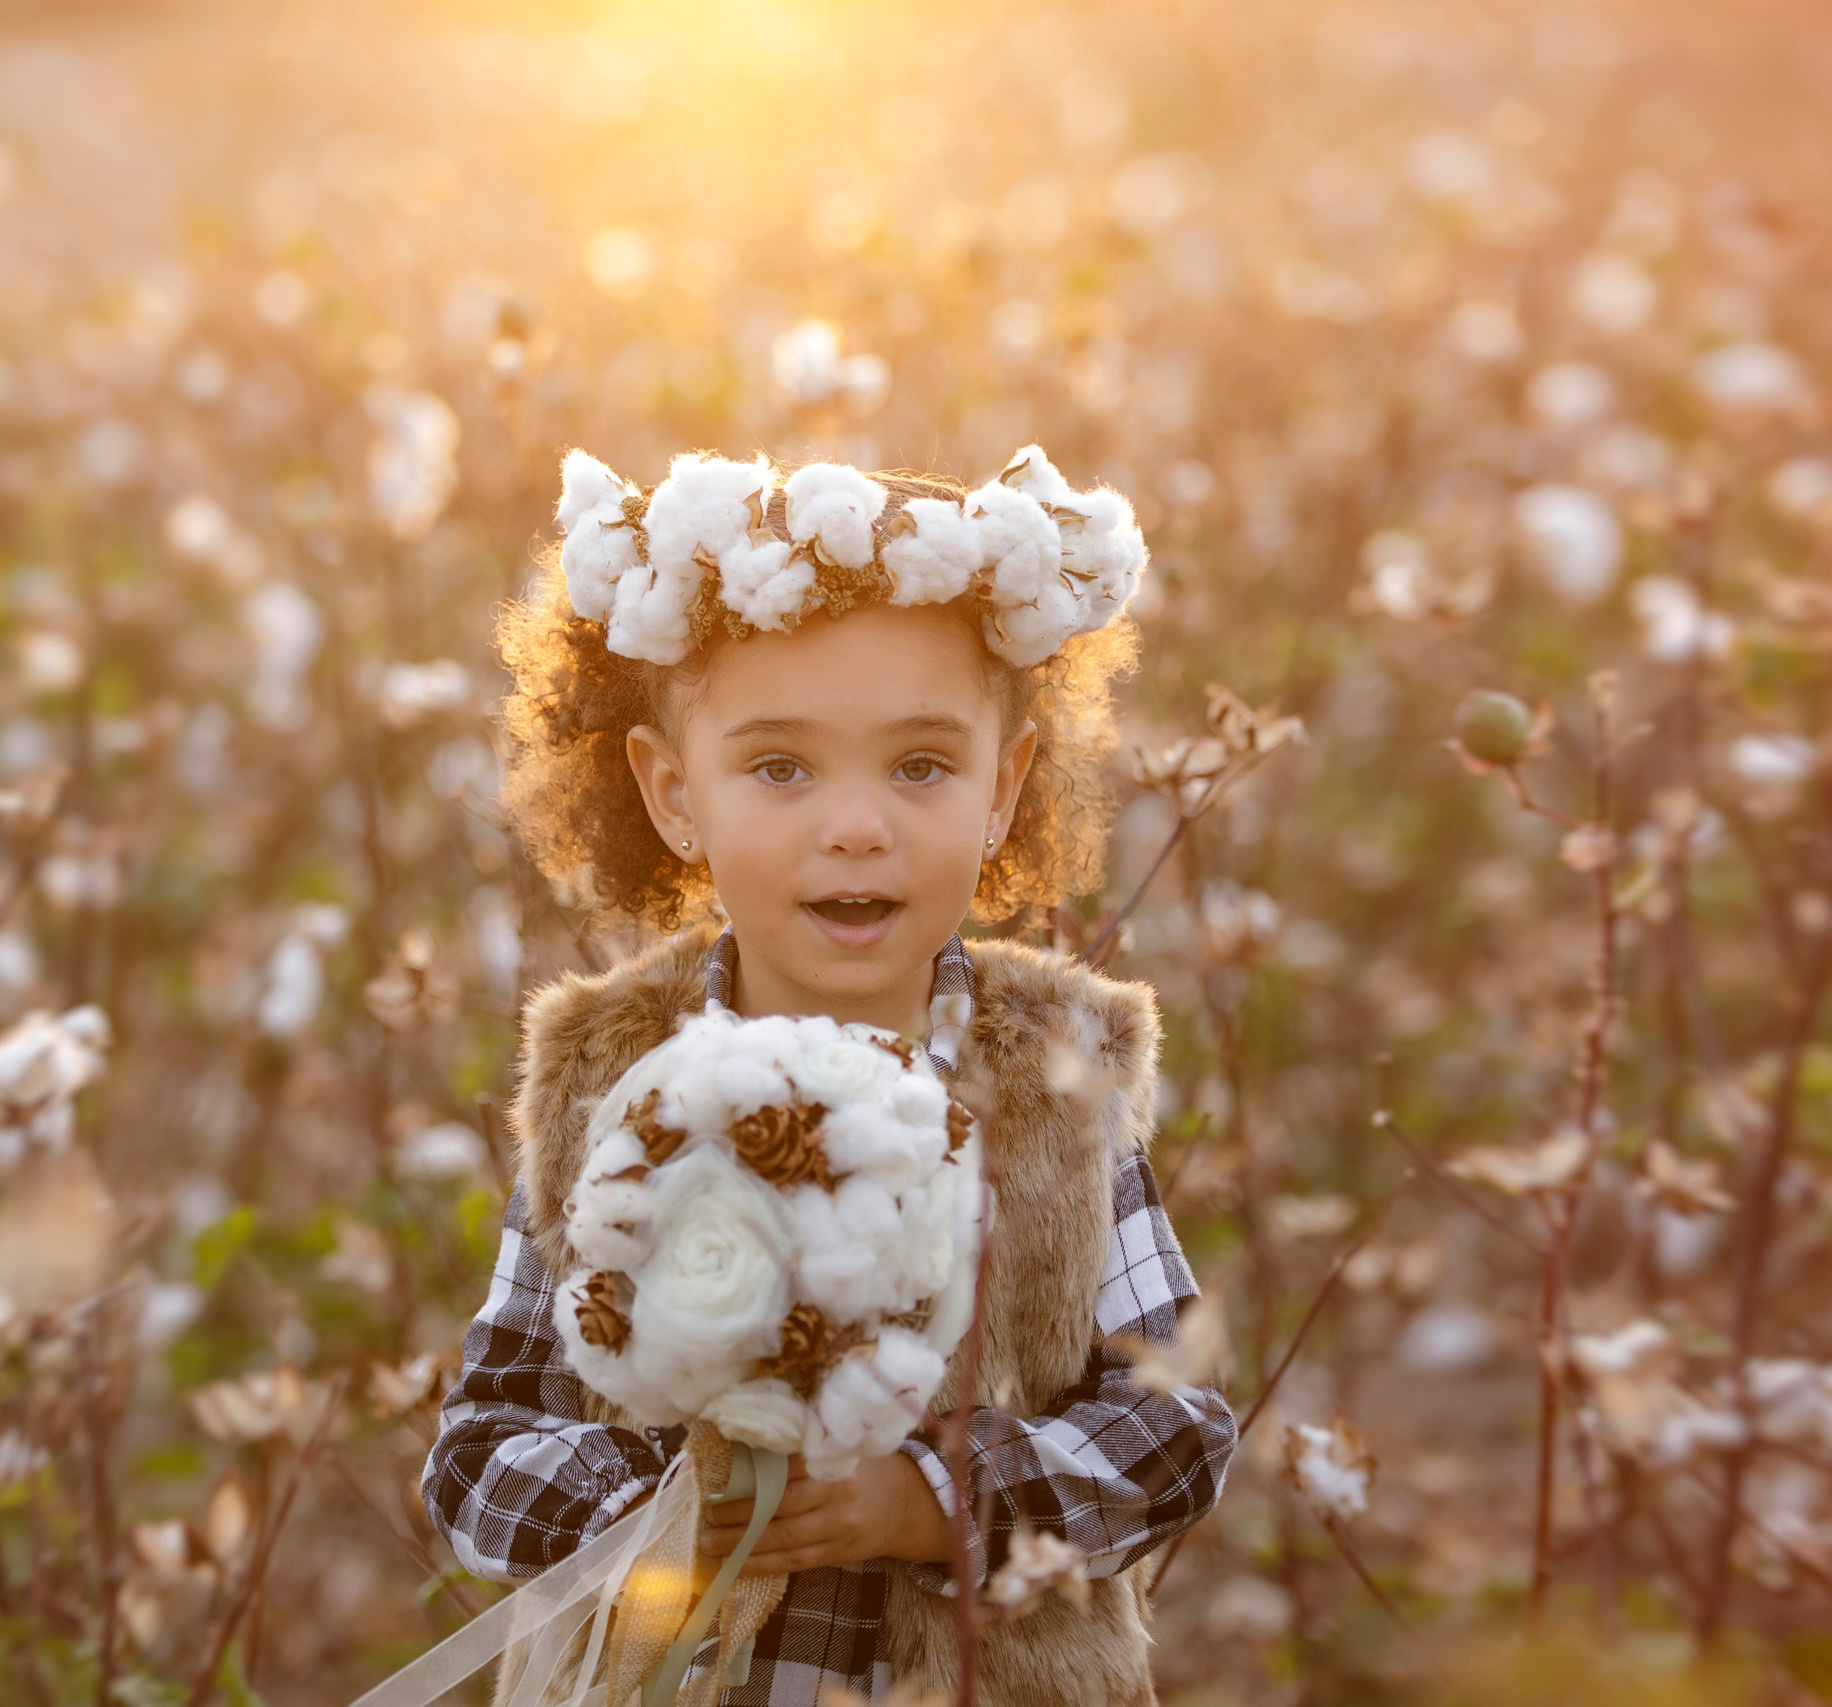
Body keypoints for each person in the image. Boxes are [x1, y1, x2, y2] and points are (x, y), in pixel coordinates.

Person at [421, 447, 1236, 1706]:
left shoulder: (1049, 1083)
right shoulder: (608, 1078)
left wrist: (927, 1502)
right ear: (672, 792)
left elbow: (1175, 1424)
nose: (854, 825)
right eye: (780, 768)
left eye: (920, 767)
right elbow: (478, 1454)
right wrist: (657, 1508)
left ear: (1003, 787)